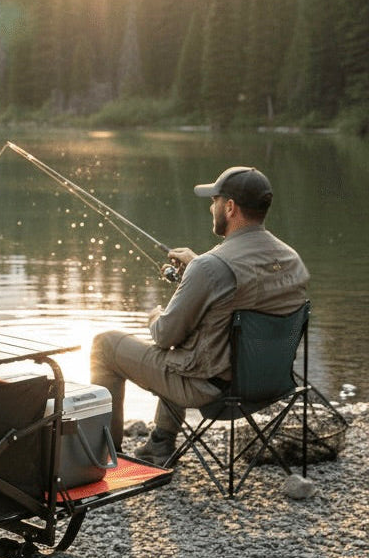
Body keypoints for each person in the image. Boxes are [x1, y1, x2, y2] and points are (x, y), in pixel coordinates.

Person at [89, 166, 310, 465]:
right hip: (270, 385)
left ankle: (101, 457)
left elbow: (165, 334)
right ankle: (159, 443)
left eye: (215, 200)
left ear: (230, 207)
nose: (211, 207)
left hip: (211, 392)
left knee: (105, 345)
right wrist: (195, 269)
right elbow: (244, 294)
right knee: (186, 341)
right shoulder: (291, 259)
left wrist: (156, 314)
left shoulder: (210, 268)